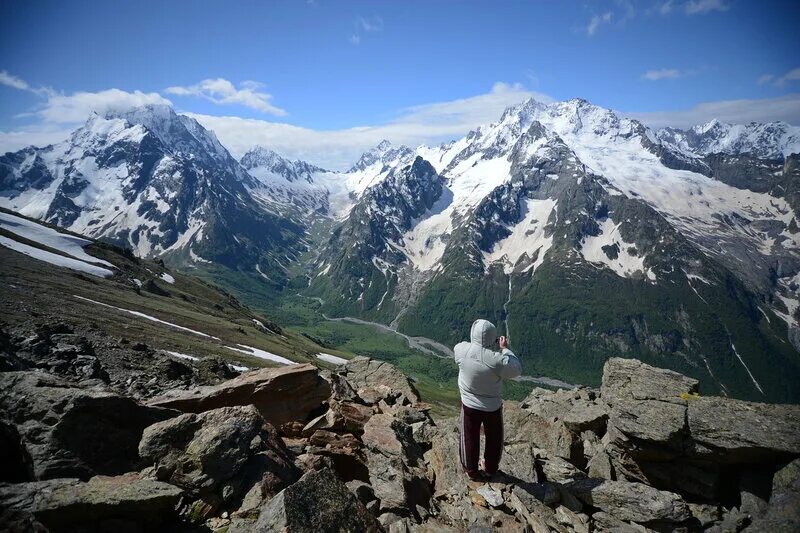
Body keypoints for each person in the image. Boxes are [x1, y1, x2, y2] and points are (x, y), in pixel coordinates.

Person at [454, 319, 522, 481]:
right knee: (494, 437)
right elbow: (516, 369)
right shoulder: (496, 360)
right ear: (493, 337)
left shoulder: (461, 349)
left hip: (469, 404)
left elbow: (462, 349)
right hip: (492, 406)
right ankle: (490, 468)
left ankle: (470, 469)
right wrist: (505, 349)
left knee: (469, 436)